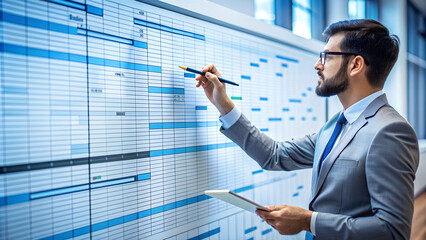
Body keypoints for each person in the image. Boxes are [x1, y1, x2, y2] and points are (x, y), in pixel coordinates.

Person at [195, 19, 419, 240]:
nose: (317, 65)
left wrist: (308, 221)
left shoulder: (390, 131)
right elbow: (274, 155)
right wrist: (222, 103)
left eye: (327, 56)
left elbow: (392, 231)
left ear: (356, 65)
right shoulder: (337, 124)